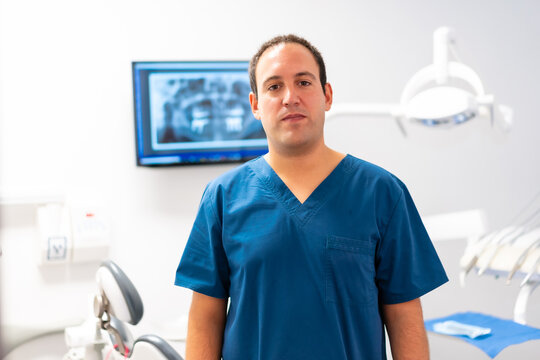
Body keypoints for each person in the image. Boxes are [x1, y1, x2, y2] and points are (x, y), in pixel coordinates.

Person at [174, 34, 448, 360]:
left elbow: (405, 319)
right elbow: (205, 317)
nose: (290, 97)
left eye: (303, 82)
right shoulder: (223, 197)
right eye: (274, 86)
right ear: (256, 105)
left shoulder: (382, 193)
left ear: (327, 95)